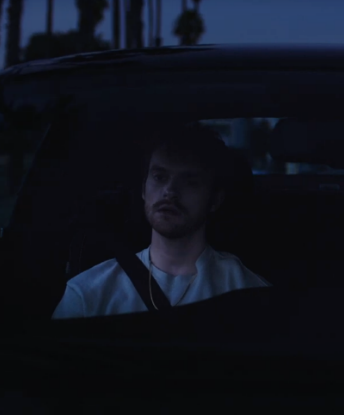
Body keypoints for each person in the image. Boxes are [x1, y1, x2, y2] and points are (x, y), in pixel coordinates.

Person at [53, 122, 270, 319]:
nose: (170, 191)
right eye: (159, 177)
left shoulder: (248, 292)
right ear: (143, 189)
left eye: (189, 182)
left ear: (214, 200)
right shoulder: (86, 294)